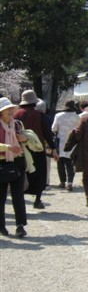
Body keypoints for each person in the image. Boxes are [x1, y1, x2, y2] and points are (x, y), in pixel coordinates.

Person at [14, 90, 56, 209]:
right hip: (37, 149)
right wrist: (53, 148)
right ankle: (37, 199)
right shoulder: (40, 115)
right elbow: (48, 133)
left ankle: (20, 199)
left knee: (22, 173)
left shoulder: (16, 115)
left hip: (20, 149)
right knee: (39, 174)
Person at [0, 97, 28, 237]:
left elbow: (24, 138)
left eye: (11, 109)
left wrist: (23, 138)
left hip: (17, 162)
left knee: (18, 195)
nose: (11, 111)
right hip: (2, 162)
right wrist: (8, 147)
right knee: (1, 197)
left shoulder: (16, 124)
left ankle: (20, 225)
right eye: (7, 110)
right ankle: (1, 226)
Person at [52, 100, 81, 191]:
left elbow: (53, 128)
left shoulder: (58, 116)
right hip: (72, 143)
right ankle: (70, 182)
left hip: (61, 142)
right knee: (70, 163)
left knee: (60, 162)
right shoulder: (77, 117)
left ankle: (62, 182)